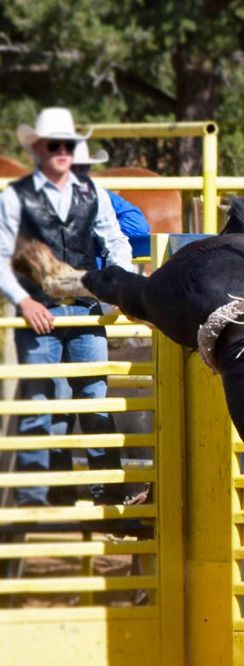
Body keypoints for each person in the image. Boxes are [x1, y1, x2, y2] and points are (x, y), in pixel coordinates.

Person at [0, 106, 136, 506]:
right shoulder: (16, 198)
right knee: (42, 404)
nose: (64, 152)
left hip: (83, 306)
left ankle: (105, 494)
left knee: (93, 398)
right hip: (40, 310)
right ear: (39, 149)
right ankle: (42, 501)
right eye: (56, 145)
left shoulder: (92, 194)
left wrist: (120, 284)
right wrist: (24, 300)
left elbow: (117, 242)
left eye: (69, 145)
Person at [72, 140, 150, 258]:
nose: (79, 173)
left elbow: (138, 226)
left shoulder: (96, 194)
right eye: (73, 168)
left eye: (83, 167)